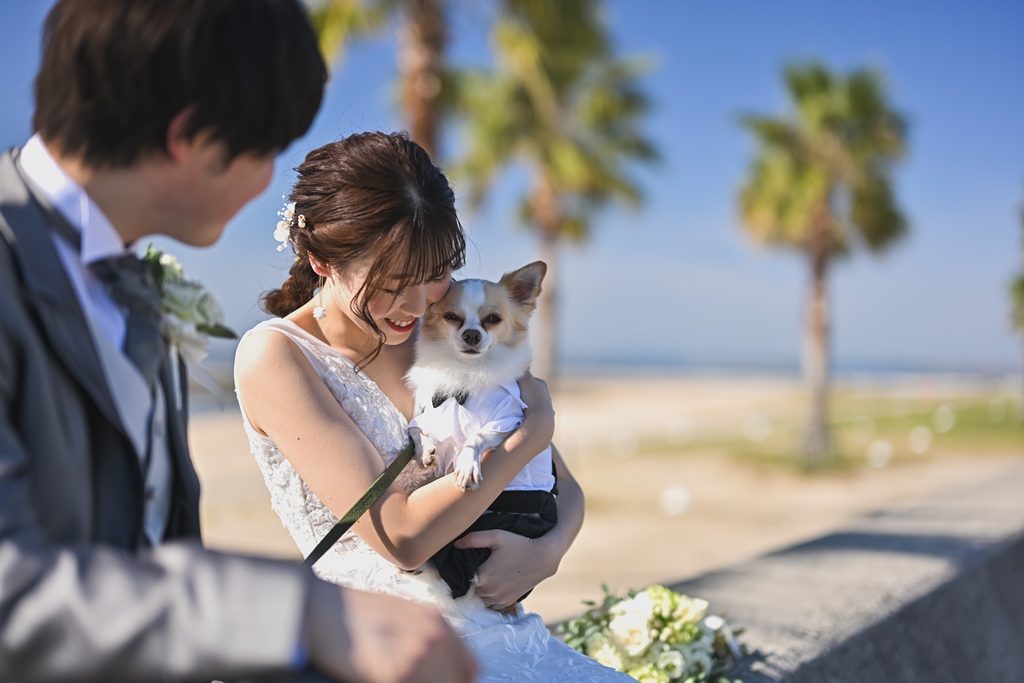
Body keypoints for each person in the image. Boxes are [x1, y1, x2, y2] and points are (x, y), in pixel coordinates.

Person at [0, 2, 476, 682]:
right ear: (189, 137)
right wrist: (298, 611)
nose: (264, 186)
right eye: (264, 150)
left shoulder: (126, 281)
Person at [234, 131, 634, 681]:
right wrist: (531, 432)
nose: (418, 303)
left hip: (500, 629)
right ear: (322, 260)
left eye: (436, 275)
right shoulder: (277, 356)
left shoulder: (437, 334)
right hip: (378, 643)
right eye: (394, 283)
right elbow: (401, 537)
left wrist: (550, 551)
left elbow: (562, 484)